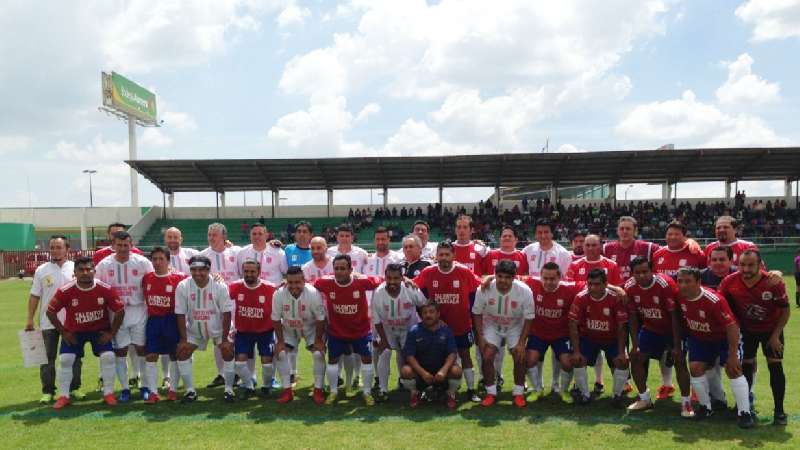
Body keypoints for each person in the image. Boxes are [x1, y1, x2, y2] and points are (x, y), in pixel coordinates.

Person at [674, 267, 753, 428]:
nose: (683, 285)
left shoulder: (714, 300)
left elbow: (731, 327)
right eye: (680, 281)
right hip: (700, 338)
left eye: (688, 281)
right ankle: (706, 407)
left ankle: (744, 413)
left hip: (724, 338)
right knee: (695, 368)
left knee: (733, 369)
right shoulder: (678, 296)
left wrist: (732, 355)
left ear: (698, 282)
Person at [718, 250, 790, 426]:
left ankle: (779, 411)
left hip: (771, 330)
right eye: (742, 264)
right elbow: (721, 304)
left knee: (775, 366)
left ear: (760, 264)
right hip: (747, 331)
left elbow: (786, 311)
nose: (746, 268)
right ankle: (745, 406)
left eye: (750, 265)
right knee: (746, 366)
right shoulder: (730, 281)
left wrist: (775, 336)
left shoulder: (773, 282)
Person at [46, 256, 125, 409]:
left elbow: (120, 311)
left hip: (98, 331)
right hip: (75, 332)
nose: (85, 272)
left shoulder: (105, 289)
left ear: (94, 271)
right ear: (74, 272)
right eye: (81, 270)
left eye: (89, 269)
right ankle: (64, 396)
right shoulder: (65, 291)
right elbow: (50, 312)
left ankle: (108, 393)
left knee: (108, 356)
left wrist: (111, 333)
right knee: (65, 359)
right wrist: (63, 332)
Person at [625, 257, 694, 418]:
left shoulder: (665, 284)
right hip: (651, 328)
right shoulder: (629, 286)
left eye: (645, 272)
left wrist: (676, 345)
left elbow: (674, 316)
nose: (641, 276)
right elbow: (633, 317)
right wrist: (635, 344)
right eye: (637, 273)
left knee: (679, 360)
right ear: (632, 273)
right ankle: (644, 399)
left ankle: (686, 402)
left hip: (673, 329)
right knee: (635, 357)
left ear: (652, 270)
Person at [414, 241, 482, 402]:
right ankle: (433, 388)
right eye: (441, 254)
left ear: (454, 256)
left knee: (465, 355)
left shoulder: (464, 272)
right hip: (436, 327)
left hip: (461, 325)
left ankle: (471, 389)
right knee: (434, 357)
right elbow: (412, 285)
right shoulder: (428, 272)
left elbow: (479, 287)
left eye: (447, 254)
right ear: (436, 256)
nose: (444, 258)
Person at [313, 254, 381, 406]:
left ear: (351, 269)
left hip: (361, 331)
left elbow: (381, 280)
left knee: (366, 359)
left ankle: (367, 392)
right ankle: (333, 391)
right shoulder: (325, 282)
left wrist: (406, 280)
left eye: (343, 268)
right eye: (336, 268)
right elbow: (309, 285)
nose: (339, 272)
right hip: (337, 332)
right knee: (332, 360)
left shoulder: (362, 281)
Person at [95, 231, 154, 402]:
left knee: (141, 349)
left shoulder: (142, 262)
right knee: (120, 351)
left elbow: (153, 282)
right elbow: (97, 287)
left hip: (138, 309)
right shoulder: (104, 265)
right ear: (113, 245)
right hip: (116, 313)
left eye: (125, 245)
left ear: (131, 244)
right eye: (118, 245)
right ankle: (125, 388)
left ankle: (144, 385)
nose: (122, 248)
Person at [26, 235, 83, 404]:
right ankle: (48, 391)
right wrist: (29, 319)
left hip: (72, 322)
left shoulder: (76, 268)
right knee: (47, 358)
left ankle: (75, 389)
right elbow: (34, 296)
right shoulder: (41, 270)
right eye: (52, 247)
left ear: (67, 249)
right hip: (48, 322)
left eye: (59, 247)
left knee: (74, 357)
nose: (55, 250)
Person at [472, 260, 534, 407]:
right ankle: (491, 392)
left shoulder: (524, 291)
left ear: (514, 278)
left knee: (519, 355)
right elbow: (477, 313)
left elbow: (529, 318)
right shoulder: (484, 289)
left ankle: (518, 393)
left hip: (514, 326)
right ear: (495, 275)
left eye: (507, 277)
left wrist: (521, 343)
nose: (503, 280)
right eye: (500, 276)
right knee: (487, 355)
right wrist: (480, 337)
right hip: (492, 325)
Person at [174, 256, 235, 403]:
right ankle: (190, 391)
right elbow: (180, 313)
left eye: (201, 269)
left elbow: (226, 313)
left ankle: (229, 389)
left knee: (227, 351)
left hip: (219, 328)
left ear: (208, 269)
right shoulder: (183, 286)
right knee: (182, 352)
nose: (197, 273)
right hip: (195, 329)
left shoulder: (220, 285)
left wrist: (225, 338)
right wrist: (183, 339)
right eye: (193, 269)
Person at [568, 269, 630, 407]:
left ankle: (617, 395)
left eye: (596, 284)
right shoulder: (581, 297)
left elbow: (621, 327)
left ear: (605, 284)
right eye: (589, 284)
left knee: (623, 362)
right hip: (589, 338)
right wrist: (576, 351)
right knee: (577, 360)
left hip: (611, 339)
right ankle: (584, 395)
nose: (592, 288)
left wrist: (621, 352)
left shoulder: (615, 298)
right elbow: (573, 324)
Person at [371, 263, 428, 402]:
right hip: (386, 329)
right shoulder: (378, 293)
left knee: (407, 356)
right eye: (389, 278)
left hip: (409, 329)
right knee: (384, 352)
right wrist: (383, 341)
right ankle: (383, 389)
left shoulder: (410, 289)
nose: (392, 282)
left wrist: (424, 329)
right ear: (385, 277)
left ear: (402, 278)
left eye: (396, 278)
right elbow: (377, 319)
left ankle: (410, 385)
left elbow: (424, 306)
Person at [272, 266, 327, 405]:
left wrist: (319, 340)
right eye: (290, 282)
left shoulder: (313, 293)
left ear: (304, 280)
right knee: (281, 353)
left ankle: (318, 389)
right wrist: (280, 341)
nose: (294, 286)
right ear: (286, 281)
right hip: (289, 329)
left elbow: (321, 318)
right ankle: (287, 390)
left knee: (318, 354)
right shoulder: (278, 294)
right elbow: (275, 318)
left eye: (297, 282)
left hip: (311, 329)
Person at [524, 262, 579, 400]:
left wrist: (617, 289)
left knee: (567, 362)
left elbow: (593, 284)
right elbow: (509, 276)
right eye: (545, 278)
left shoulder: (570, 288)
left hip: (561, 334)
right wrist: (488, 278)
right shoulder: (532, 282)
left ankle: (563, 391)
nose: (548, 282)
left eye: (552, 279)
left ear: (560, 277)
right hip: (538, 333)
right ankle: (537, 390)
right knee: (530, 360)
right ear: (540, 276)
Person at [141, 247, 187, 403]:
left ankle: (173, 390)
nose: (158, 262)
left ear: (168, 260)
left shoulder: (179, 278)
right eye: (154, 259)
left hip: (172, 320)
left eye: (161, 259)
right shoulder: (146, 278)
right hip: (153, 321)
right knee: (151, 355)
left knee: (175, 355)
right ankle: (153, 393)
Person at [228, 260, 278, 401]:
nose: (249, 275)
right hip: (244, 332)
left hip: (266, 332)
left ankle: (267, 386)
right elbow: (220, 294)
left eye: (252, 272)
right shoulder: (235, 287)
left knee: (267, 363)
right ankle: (249, 386)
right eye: (246, 271)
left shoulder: (270, 288)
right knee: (239, 363)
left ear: (259, 272)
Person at [400, 303, 462, 410]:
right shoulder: (414, 331)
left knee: (456, 370)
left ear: (438, 314)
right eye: (425, 313)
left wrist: (443, 371)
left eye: (431, 312)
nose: (428, 315)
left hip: (441, 373)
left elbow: (452, 354)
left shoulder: (446, 331)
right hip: (421, 372)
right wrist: (423, 373)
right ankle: (415, 393)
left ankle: (450, 394)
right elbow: (409, 356)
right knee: (406, 370)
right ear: (421, 315)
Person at [200, 222, 239, 388]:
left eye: (214, 235)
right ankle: (222, 373)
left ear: (224, 236)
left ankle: (237, 372)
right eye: (209, 235)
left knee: (236, 338)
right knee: (218, 339)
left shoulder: (236, 252)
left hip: (235, 303)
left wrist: (273, 244)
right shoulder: (202, 255)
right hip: (213, 305)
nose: (211, 238)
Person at [602, 217, 660, 281]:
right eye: (621, 229)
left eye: (628, 229)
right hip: (614, 289)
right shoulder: (606, 248)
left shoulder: (648, 247)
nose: (625, 231)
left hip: (638, 289)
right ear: (617, 231)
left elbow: (668, 250)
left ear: (635, 231)